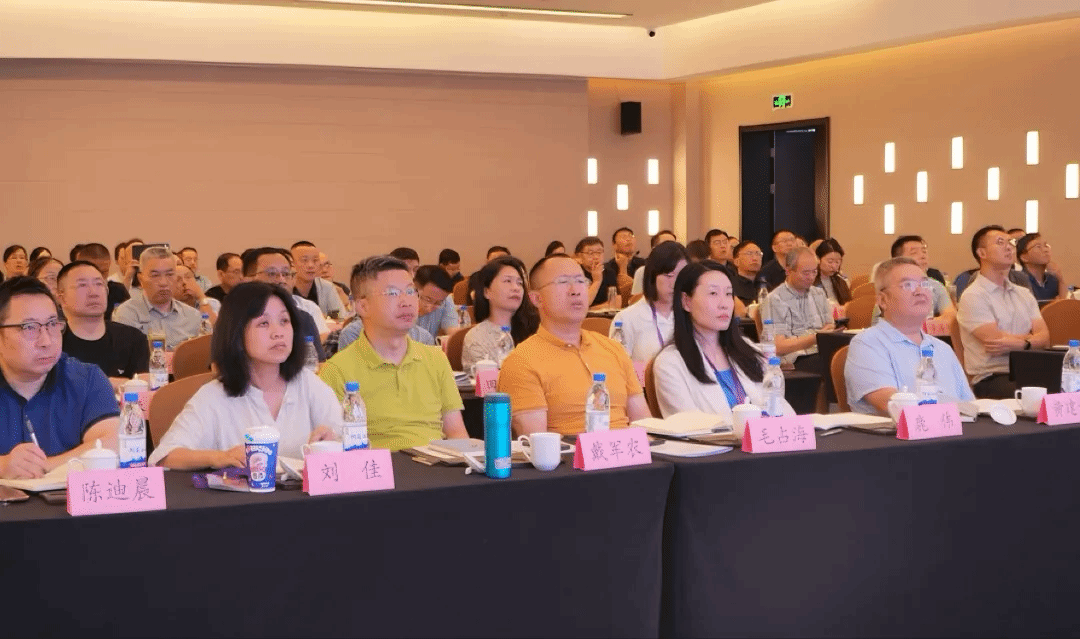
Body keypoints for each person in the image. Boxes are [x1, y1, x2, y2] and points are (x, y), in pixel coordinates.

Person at [149, 282, 342, 469]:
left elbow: (348, 440)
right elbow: (164, 457)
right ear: (237, 333)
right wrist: (220, 457)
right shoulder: (214, 396)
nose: (278, 333)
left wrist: (332, 439)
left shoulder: (308, 384)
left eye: (284, 321)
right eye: (264, 323)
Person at [320, 256, 468, 450]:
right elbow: (334, 445)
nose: (406, 302)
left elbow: (456, 433)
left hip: (437, 462)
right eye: (392, 293)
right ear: (362, 306)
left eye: (410, 291)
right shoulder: (336, 370)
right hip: (378, 465)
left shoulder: (435, 358)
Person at [497, 253, 649, 435]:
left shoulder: (613, 349)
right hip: (570, 451)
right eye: (562, 282)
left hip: (628, 450)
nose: (575, 290)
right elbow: (537, 443)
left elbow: (644, 425)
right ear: (536, 299)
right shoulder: (521, 362)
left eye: (580, 281)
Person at [0, 277, 120, 479]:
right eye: (29, 327)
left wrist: (45, 467)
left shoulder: (86, 379)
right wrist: (3, 466)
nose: (46, 341)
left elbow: (112, 442)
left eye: (52, 324)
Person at [652, 261, 794, 418]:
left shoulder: (750, 351)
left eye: (728, 294)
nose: (724, 304)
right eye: (713, 294)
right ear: (686, 301)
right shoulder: (670, 363)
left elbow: (780, 407)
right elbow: (689, 425)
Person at [845, 258, 974, 415]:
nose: (920, 291)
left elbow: (969, 406)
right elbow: (890, 404)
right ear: (883, 300)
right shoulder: (867, 344)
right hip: (896, 430)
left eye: (924, 284)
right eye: (908, 285)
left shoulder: (943, 349)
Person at [957, 225, 1049, 398]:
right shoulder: (973, 295)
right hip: (992, 377)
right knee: (1038, 398)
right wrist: (1030, 339)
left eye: (1011, 242)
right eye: (1000, 243)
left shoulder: (1024, 293)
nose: (1009, 247)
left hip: (1030, 370)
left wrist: (1021, 344)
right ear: (982, 253)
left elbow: (1045, 338)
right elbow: (996, 343)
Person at [57, 261, 149, 389]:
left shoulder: (133, 338)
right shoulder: (54, 343)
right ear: (62, 298)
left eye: (99, 284)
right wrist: (110, 384)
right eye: (82, 285)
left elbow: (144, 385)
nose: (93, 293)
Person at [242, 247, 327, 361]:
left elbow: (317, 364)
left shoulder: (303, 318)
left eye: (286, 273)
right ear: (247, 280)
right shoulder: (235, 318)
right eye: (272, 273)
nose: (281, 280)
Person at [112, 246, 203, 350]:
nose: (163, 282)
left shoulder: (193, 316)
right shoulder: (126, 314)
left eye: (170, 274)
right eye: (155, 275)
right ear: (141, 279)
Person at [610, 241, 687, 363]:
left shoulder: (692, 315)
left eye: (681, 276)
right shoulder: (626, 319)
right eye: (669, 275)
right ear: (652, 275)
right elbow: (617, 367)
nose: (675, 284)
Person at [461, 256, 539, 373]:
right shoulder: (476, 338)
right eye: (507, 281)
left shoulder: (536, 328)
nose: (516, 288)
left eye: (520, 283)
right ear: (487, 291)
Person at [766, 247, 835, 371]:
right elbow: (778, 346)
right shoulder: (775, 299)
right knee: (834, 367)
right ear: (788, 271)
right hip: (795, 359)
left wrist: (823, 334)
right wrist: (816, 337)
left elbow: (830, 326)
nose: (811, 277)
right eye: (806, 273)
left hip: (822, 351)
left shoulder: (819, 293)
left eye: (814, 272)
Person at [872, 235, 954, 328]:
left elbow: (951, 318)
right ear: (898, 260)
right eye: (914, 253)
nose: (923, 256)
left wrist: (922, 327)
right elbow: (878, 324)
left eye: (924, 252)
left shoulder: (936, 286)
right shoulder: (889, 286)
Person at [73, 243, 130, 321]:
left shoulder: (118, 290)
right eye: (95, 271)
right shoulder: (73, 294)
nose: (99, 277)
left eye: (104, 272)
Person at [291, 241, 346, 318]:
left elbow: (340, 315)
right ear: (292, 264)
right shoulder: (285, 287)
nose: (311, 265)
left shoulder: (327, 287)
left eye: (315, 260)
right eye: (304, 260)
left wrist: (323, 317)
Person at [1016, 233, 1067, 301]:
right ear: (1024, 257)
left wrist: (1060, 278)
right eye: (1038, 246)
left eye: (1046, 246)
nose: (1045, 250)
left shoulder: (1052, 279)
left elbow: (1062, 304)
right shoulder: (1019, 279)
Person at [414, 264, 460, 337]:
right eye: (428, 299)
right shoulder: (401, 302)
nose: (429, 308)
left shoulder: (446, 299)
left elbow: (452, 329)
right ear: (415, 287)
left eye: (438, 303)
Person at [575, 236, 620, 308]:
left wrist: (591, 309)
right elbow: (581, 304)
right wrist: (597, 281)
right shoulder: (575, 274)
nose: (596, 257)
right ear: (579, 256)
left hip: (605, 314)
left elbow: (616, 302)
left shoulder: (609, 272)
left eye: (599, 252)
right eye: (590, 253)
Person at [630, 230, 677, 295]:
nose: (671, 249)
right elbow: (634, 299)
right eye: (665, 245)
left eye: (674, 245)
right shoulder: (643, 271)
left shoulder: (681, 271)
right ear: (654, 249)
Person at [813, 238, 852, 307]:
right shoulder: (811, 282)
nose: (834, 266)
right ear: (818, 259)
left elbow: (848, 305)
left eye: (837, 262)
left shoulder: (841, 281)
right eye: (830, 262)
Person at [605, 228, 646, 292]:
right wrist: (622, 268)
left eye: (631, 236)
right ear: (614, 245)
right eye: (623, 237)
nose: (628, 239)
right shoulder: (607, 269)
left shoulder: (645, 264)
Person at [730, 240, 766, 305]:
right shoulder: (730, 286)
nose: (755, 258)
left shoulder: (765, 284)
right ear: (736, 261)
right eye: (749, 253)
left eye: (758, 254)